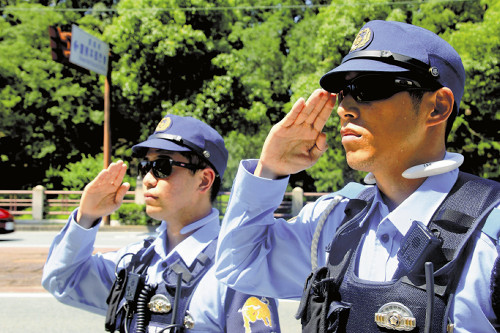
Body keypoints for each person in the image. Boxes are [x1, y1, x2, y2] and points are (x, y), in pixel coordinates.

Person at [215, 20, 500, 333]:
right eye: (343, 92)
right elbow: (239, 265)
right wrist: (270, 170)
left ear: (437, 106)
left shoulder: (491, 233)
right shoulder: (333, 220)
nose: (345, 108)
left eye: (369, 88)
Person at [42, 114, 281, 333]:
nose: (147, 179)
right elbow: (62, 280)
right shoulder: (135, 260)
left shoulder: (236, 267)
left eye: (162, 166)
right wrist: (86, 217)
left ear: (204, 180)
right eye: (145, 166)